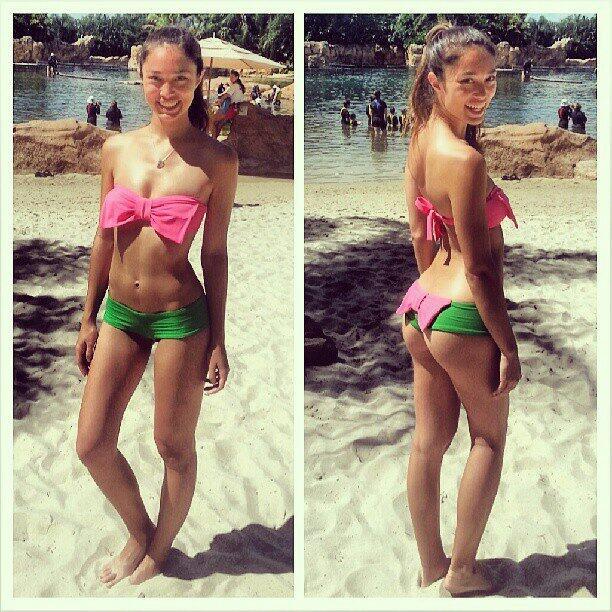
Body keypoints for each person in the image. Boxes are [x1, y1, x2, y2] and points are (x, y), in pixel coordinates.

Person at [75, 26, 237, 588]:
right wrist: (88, 316)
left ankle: (159, 550)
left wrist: (219, 338)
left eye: (180, 80)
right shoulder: (116, 148)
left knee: (171, 444)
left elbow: (214, 253)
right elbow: (103, 237)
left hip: (180, 317)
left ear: (199, 79)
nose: (167, 92)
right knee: (92, 443)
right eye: (156, 79)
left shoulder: (217, 160)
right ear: (140, 78)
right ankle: (140, 530)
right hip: (120, 313)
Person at [399, 23, 521, 596]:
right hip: (464, 314)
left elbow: (418, 233)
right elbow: (481, 271)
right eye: (467, 81)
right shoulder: (466, 160)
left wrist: (431, 294)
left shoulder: (421, 137)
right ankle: (462, 571)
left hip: (421, 305)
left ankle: (431, 562)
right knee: (487, 441)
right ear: (436, 80)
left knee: (428, 444)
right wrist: (508, 346)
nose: (481, 93)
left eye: (490, 80)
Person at [210, 69, 247, 139]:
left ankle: (213, 139)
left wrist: (220, 101)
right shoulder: (239, 86)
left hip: (233, 107)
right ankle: (214, 138)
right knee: (219, 123)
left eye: (232, 77)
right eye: (230, 77)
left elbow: (226, 95)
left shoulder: (235, 85)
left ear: (237, 77)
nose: (230, 78)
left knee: (212, 120)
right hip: (238, 107)